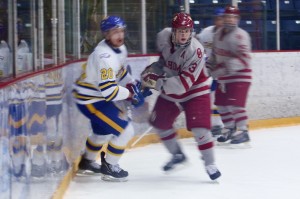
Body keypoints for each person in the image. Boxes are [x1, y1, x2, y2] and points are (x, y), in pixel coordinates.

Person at [141, 13, 221, 180]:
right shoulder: (163, 36)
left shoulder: (196, 50)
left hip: (195, 89)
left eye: (187, 31)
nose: (184, 34)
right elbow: (163, 61)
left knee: (200, 129)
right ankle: (177, 155)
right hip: (171, 85)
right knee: (159, 123)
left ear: (191, 32)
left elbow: (183, 85)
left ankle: (210, 163)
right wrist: (153, 71)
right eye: (180, 31)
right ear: (173, 32)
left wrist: (156, 83)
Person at [73, 16, 151, 182]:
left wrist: (132, 84)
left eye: (121, 30)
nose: (119, 35)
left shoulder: (119, 48)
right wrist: (131, 95)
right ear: (106, 35)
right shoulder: (104, 57)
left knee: (102, 133)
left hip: (94, 96)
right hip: (90, 100)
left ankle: (86, 162)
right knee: (126, 130)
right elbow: (109, 91)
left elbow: (121, 73)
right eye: (115, 32)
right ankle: (109, 166)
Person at [206, 5, 252, 146]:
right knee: (221, 104)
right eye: (227, 16)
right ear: (223, 18)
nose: (230, 19)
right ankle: (230, 128)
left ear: (237, 19)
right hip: (224, 78)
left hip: (240, 76)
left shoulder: (241, 35)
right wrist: (208, 68)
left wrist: (221, 69)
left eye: (233, 17)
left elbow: (244, 59)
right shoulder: (217, 34)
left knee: (235, 104)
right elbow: (214, 55)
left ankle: (244, 131)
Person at [196, 8, 225, 137]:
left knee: (219, 99)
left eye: (223, 19)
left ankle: (219, 124)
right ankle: (211, 124)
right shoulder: (206, 33)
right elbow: (197, 47)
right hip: (206, 70)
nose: (221, 22)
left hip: (221, 72)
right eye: (219, 19)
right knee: (207, 98)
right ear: (215, 20)